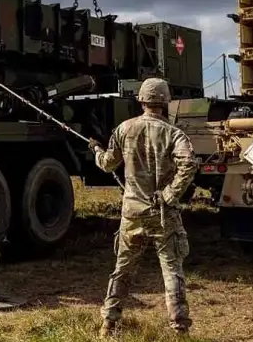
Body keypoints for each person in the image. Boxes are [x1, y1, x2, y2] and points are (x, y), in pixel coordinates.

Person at [89, 78, 197, 337]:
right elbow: (189, 164)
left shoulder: (124, 129)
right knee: (172, 271)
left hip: (132, 213)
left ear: (142, 100)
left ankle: (108, 324)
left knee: (122, 270)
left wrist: (95, 150)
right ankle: (180, 327)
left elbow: (107, 164)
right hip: (163, 214)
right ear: (165, 102)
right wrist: (170, 195)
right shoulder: (174, 134)